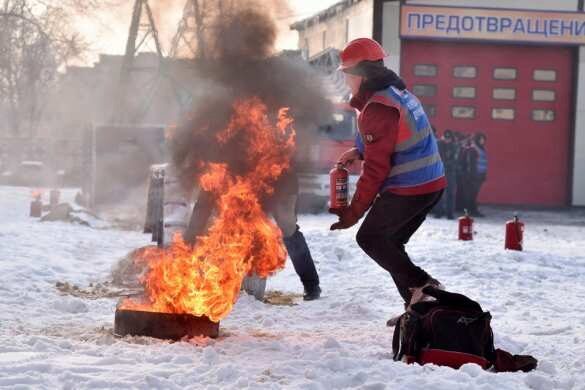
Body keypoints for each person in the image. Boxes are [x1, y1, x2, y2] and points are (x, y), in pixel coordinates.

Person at [330, 38, 446, 324]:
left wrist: (352, 215)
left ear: (360, 75)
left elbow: (375, 172)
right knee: (391, 243)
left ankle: (424, 286)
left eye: (346, 73)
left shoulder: (379, 107)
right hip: (431, 183)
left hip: (410, 188)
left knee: (369, 238)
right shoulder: (395, 93)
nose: (345, 80)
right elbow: (390, 141)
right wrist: (359, 150)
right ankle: (418, 310)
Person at [185, 169, 322, 302]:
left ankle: (311, 286)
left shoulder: (258, 154)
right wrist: (187, 245)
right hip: (245, 187)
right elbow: (201, 209)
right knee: (226, 226)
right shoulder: (215, 174)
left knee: (288, 228)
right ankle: (226, 284)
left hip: (280, 182)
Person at [435, 130, 459, 219]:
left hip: (451, 173)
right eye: (446, 137)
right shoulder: (439, 145)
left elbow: (455, 160)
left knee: (451, 194)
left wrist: (448, 163)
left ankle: (450, 214)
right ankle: (438, 212)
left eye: (449, 138)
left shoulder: (454, 146)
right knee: (440, 194)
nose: (447, 140)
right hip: (440, 172)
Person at [465, 132, 488, 217]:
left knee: (475, 194)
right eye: (481, 139)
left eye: (484, 139)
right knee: (472, 194)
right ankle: (470, 211)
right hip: (474, 175)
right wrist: (472, 175)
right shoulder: (473, 149)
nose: (483, 141)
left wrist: (484, 174)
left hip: (480, 174)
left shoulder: (482, 148)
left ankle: (473, 210)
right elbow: (471, 164)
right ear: (477, 139)